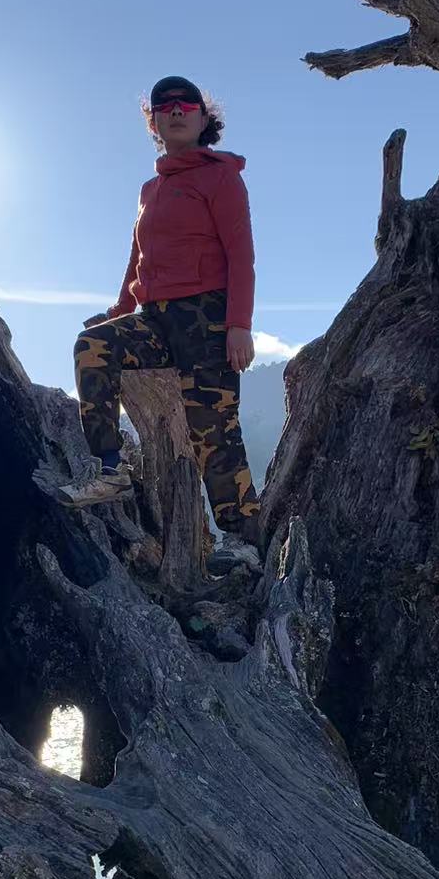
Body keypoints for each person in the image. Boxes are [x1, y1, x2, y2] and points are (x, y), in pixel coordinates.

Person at [61, 76, 262, 567]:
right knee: (92, 346)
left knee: (212, 427)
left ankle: (244, 540)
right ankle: (111, 469)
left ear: (203, 117)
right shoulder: (150, 188)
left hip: (208, 318)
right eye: (163, 105)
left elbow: (241, 254)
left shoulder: (221, 177)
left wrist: (239, 324)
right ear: (152, 121)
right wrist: (118, 313)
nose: (175, 110)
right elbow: (138, 259)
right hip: (155, 317)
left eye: (186, 104)